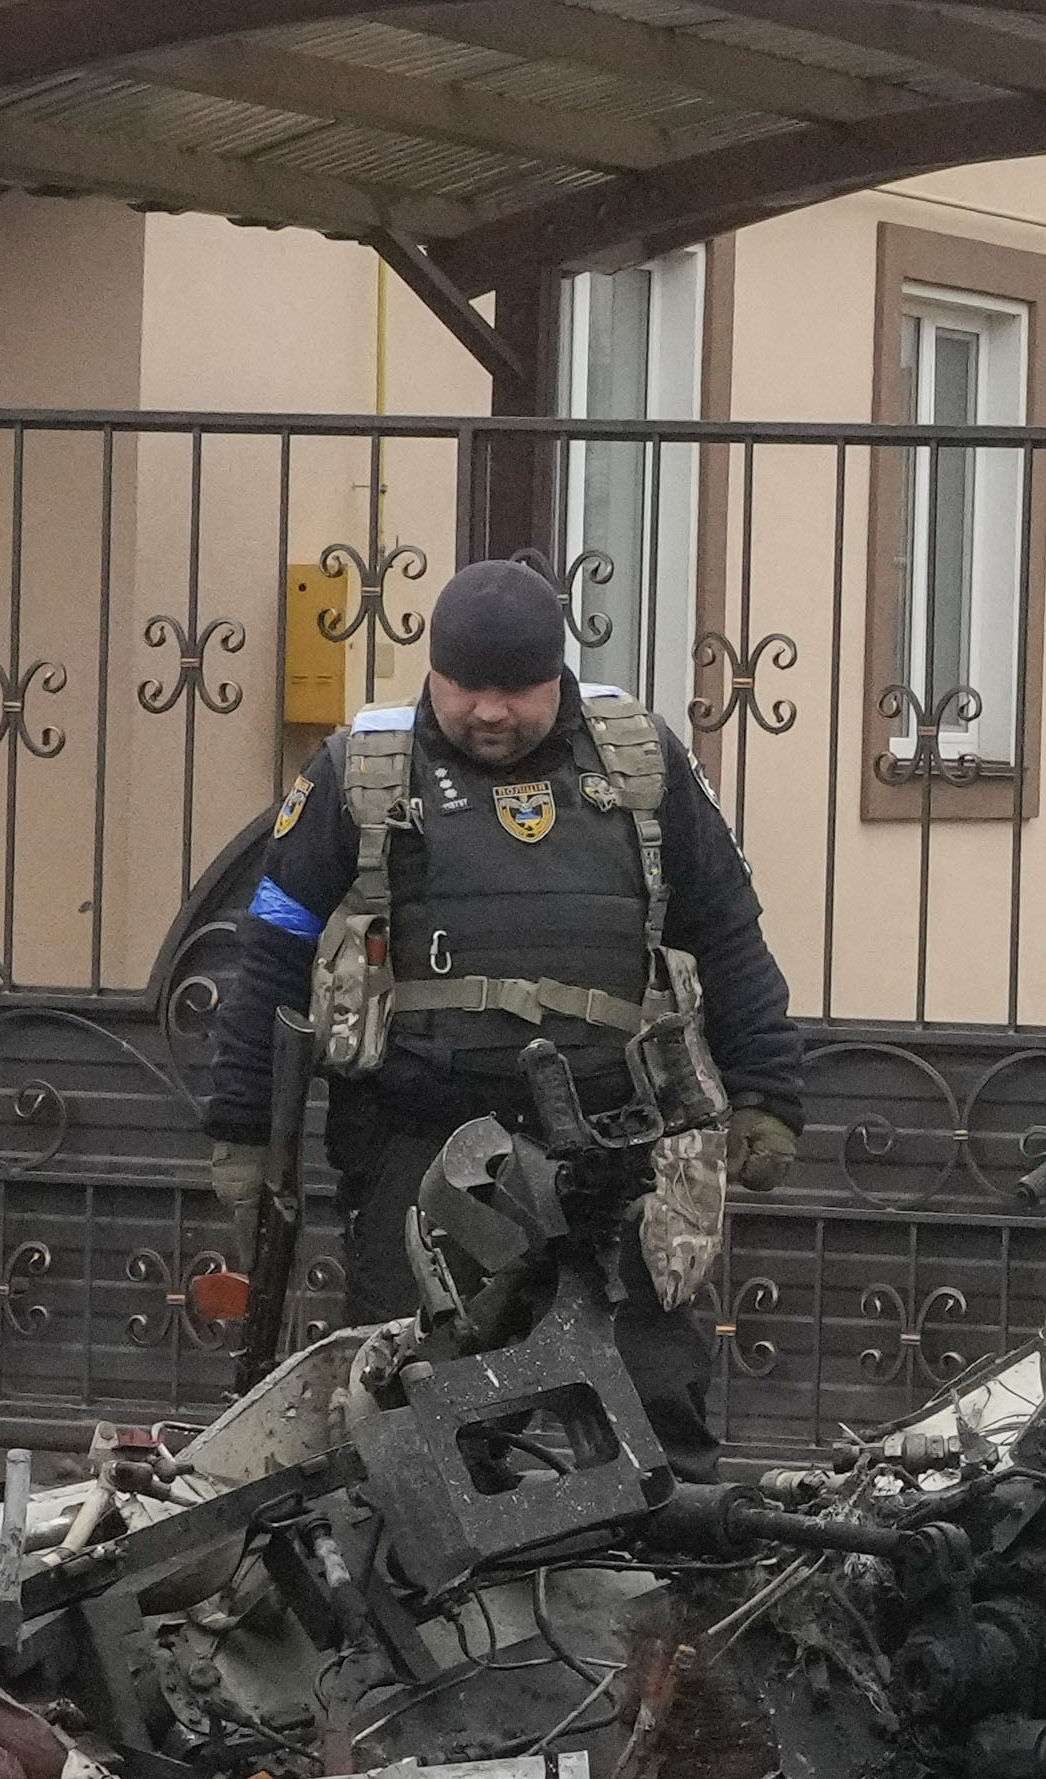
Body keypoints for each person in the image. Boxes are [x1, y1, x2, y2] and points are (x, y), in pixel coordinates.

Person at [190, 557, 808, 1359]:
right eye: (464, 686)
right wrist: (243, 1128)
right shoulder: (360, 775)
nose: (488, 711)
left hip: (615, 1142)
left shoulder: (641, 765)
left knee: (652, 1399)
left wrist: (767, 1088)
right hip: (416, 1140)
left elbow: (727, 935)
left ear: (558, 676)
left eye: (515, 689)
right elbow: (273, 954)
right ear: (433, 672)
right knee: (412, 1399)